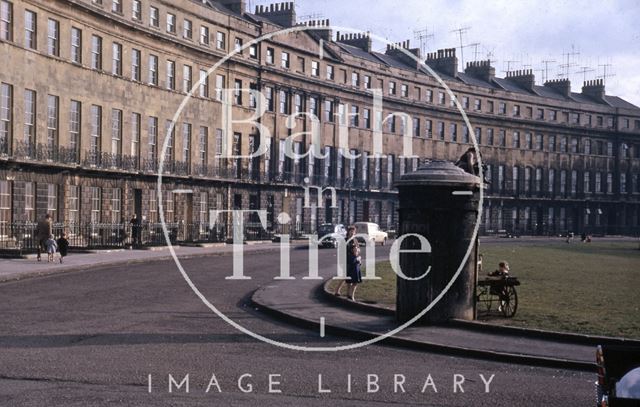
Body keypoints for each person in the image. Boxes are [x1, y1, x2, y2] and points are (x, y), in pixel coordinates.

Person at [333, 226, 363, 301]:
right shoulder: (345, 240)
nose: (352, 232)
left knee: (350, 279)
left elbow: (358, 250)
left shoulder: (355, 240)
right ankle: (339, 291)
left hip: (354, 261)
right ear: (348, 232)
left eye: (353, 231)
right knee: (346, 277)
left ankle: (348, 295)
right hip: (348, 261)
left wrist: (359, 256)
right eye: (351, 231)